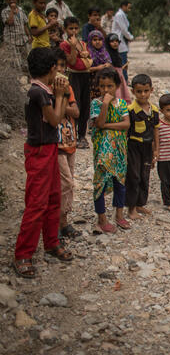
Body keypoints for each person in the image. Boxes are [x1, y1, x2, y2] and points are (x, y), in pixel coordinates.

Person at [14, 48, 73, 278]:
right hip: (39, 150)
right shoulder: (39, 92)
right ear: (52, 69)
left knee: (53, 197)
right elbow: (55, 119)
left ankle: (51, 242)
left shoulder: (43, 90)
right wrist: (60, 95)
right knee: (37, 201)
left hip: (49, 148)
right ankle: (23, 254)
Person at [90, 67, 130, 232]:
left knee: (120, 181)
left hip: (119, 149)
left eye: (110, 86)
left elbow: (126, 124)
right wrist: (105, 103)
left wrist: (106, 126)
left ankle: (119, 215)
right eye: (102, 86)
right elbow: (98, 123)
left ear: (117, 86)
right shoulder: (96, 103)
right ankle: (102, 218)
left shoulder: (121, 104)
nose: (106, 90)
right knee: (100, 182)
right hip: (102, 151)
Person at [52, 48, 80, 238]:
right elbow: (56, 114)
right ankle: (58, 222)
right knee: (66, 183)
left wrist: (63, 102)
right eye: (57, 66)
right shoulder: (48, 90)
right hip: (56, 143)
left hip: (70, 141)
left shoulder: (67, 89)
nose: (60, 70)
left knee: (68, 182)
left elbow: (75, 112)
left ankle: (64, 222)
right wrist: (62, 101)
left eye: (63, 66)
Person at [126, 74, 159, 220]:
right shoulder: (130, 111)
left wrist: (156, 149)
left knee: (145, 175)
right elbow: (126, 131)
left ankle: (140, 203)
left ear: (151, 90)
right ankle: (131, 208)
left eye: (146, 91)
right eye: (139, 91)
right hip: (134, 146)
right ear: (133, 92)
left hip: (147, 147)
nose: (143, 94)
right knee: (133, 176)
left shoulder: (154, 110)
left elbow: (156, 130)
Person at [60, 17, 93, 149]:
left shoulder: (82, 43)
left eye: (75, 28)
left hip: (85, 75)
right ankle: (73, 134)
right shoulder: (64, 45)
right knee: (76, 104)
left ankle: (82, 136)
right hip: (74, 76)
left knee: (86, 106)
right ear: (65, 29)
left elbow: (89, 59)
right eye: (70, 28)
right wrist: (73, 47)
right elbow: (72, 62)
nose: (73, 31)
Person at [1, 0, 31, 70]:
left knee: (26, 60)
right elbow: (10, 22)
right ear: (7, 1)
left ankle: (26, 77)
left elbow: (25, 24)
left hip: (22, 39)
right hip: (11, 40)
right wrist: (12, 10)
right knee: (15, 63)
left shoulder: (21, 10)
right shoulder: (4, 11)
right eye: (9, 0)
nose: (11, 1)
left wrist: (28, 36)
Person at [105, 33, 131, 103]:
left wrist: (123, 68)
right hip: (113, 78)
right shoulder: (107, 54)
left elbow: (117, 67)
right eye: (112, 41)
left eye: (117, 41)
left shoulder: (116, 53)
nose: (115, 43)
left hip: (120, 77)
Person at [87, 31, 113, 100]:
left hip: (104, 81)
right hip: (92, 82)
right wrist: (97, 68)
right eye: (95, 40)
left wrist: (108, 65)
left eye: (100, 39)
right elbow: (85, 69)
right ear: (90, 41)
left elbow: (109, 63)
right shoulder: (87, 53)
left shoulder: (105, 52)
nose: (97, 42)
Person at [112, 1, 133, 81]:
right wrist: (130, 37)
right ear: (123, 6)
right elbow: (124, 29)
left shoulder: (122, 15)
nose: (129, 9)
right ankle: (123, 80)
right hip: (119, 42)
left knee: (123, 62)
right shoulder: (119, 15)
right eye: (128, 7)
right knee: (122, 63)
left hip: (122, 42)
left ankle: (124, 80)